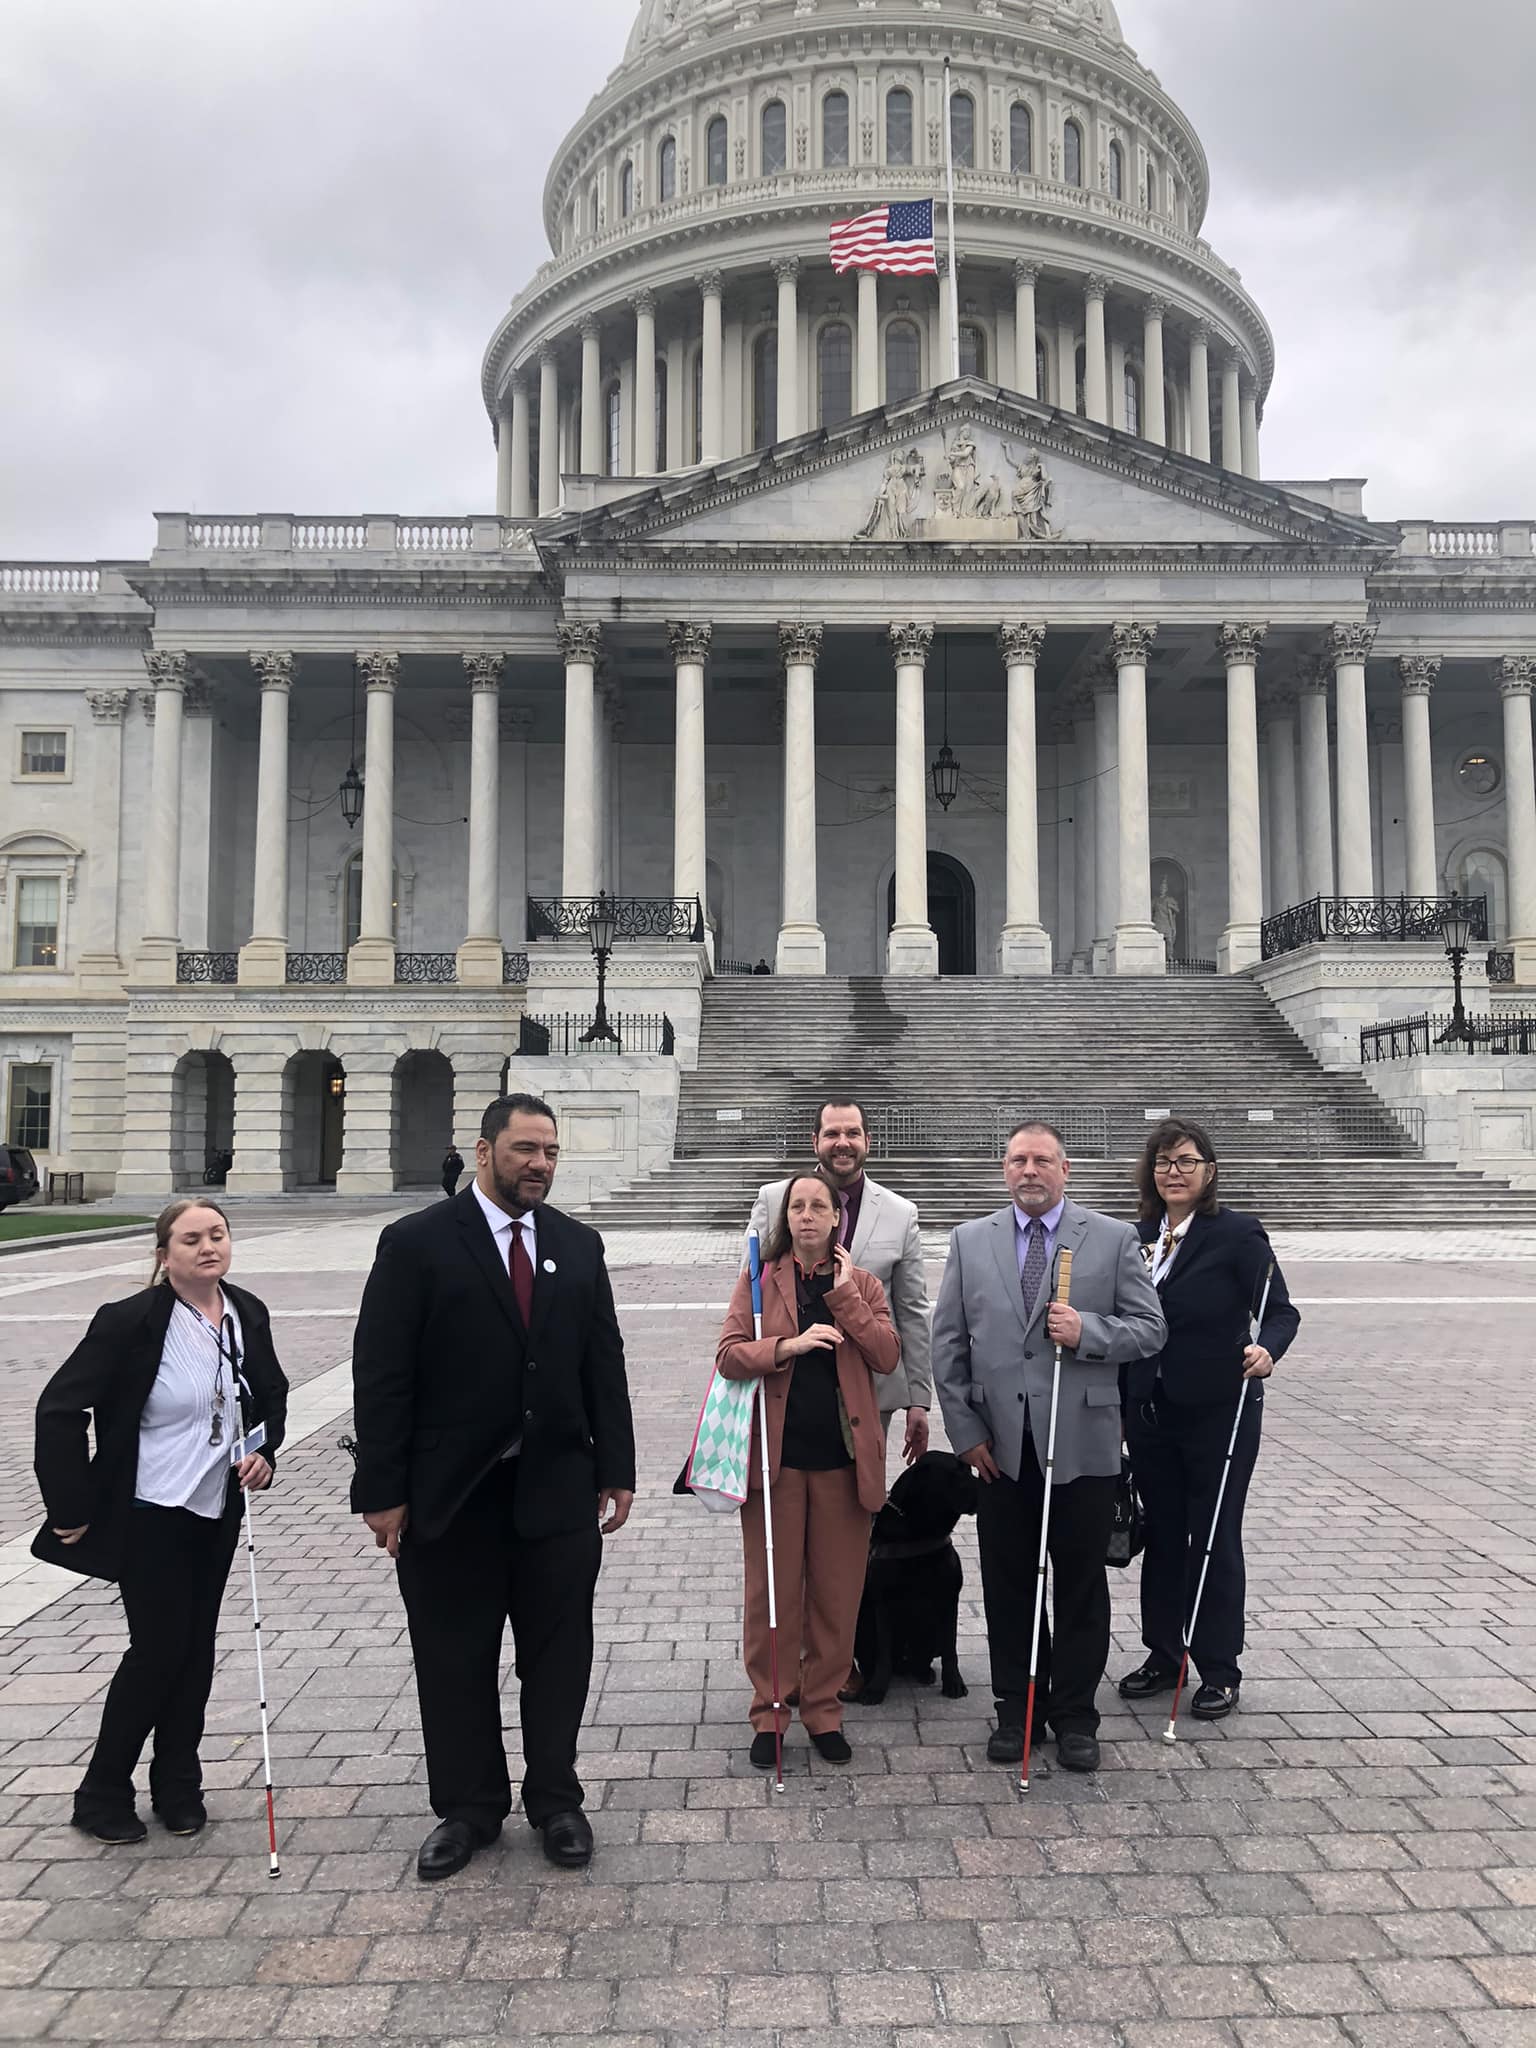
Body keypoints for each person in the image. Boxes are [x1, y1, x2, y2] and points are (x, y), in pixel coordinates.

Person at [350, 1092, 635, 1880]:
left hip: (555, 1491)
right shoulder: (415, 1244)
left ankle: (554, 1800)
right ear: (483, 1152)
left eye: (549, 1152)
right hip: (450, 1496)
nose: (539, 1164)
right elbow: (381, 1375)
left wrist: (618, 1469)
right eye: (523, 1150)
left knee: (558, 1653)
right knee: (454, 1658)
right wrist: (382, 1488)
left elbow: (601, 1362)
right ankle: (468, 1809)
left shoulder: (578, 1246)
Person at [32, 1199, 288, 1845]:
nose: (208, 1247)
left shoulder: (246, 1312)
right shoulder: (131, 1321)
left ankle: (178, 1785)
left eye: (218, 1234)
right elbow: (59, 1409)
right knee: (157, 1652)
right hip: (149, 1510)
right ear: (164, 1254)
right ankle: (101, 1792)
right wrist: (71, 1507)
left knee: (194, 1649)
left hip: (215, 1509)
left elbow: (270, 1396)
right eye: (192, 1239)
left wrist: (262, 1454)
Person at [931, 1121, 1164, 1775]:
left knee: (1081, 1582)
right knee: (1008, 1581)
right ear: (1005, 1170)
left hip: (1083, 1443)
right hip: (1001, 1449)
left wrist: (1088, 1329)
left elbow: (1150, 1328)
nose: (1028, 1170)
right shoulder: (970, 1241)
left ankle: (1075, 1715)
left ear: (1065, 1170)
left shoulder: (1112, 1240)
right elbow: (947, 1345)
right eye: (1016, 1160)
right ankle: (1018, 1706)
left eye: (1041, 1160)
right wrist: (967, 1433)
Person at [716, 1170, 899, 1767]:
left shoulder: (864, 1284)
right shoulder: (761, 1280)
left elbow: (886, 1354)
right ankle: (770, 1709)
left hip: (844, 1466)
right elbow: (728, 1356)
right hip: (776, 1465)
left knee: (836, 1596)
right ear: (784, 1217)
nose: (807, 1215)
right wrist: (785, 1347)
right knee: (771, 1594)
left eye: (819, 1206)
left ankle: (822, 1709)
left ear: (836, 1218)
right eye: (797, 1206)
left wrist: (845, 1298)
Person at [1118, 1117, 1299, 1720]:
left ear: (1209, 1172)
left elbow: (1281, 1311)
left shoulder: (1237, 1234)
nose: (1175, 1172)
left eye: (1187, 1161)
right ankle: (1164, 1653)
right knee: (1164, 1535)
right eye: (1165, 1162)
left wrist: (1266, 1349)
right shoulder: (1134, 1237)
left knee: (1213, 1534)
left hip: (1219, 1411)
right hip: (1148, 1409)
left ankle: (1220, 1666)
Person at [748, 1099, 933, 1466]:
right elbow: (751, 1290)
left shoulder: (900, 1213)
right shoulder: (774, 1200)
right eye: (832, 1133)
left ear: (868, 1140)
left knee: (859, 1508)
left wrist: (918, 1399)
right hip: (788, 1385)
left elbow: (912, 1312)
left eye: (852, 1133)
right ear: (815, 1140)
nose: (842, 1142)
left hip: (869, 1388)